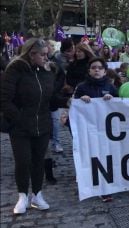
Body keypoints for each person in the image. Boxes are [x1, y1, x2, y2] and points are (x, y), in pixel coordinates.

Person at [1, 38, 68, 214]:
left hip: (43, 125)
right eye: (43, 54)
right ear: (32, 54)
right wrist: (18, 119)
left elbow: (51, 98)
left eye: (48, 54)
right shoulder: (14, 70)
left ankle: (37, 195)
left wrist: (67, 101)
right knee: (23, 161)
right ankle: (22, 195)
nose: (47, 57)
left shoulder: (48, 72)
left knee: (39, 161)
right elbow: (5, 99)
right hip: (20, 127)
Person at [72, 57, 118, 202]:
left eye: (99, 67)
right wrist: (80, 100)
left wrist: (113, 100)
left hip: (107, 130)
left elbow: (122, 105)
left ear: (105, 71)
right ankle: (92, 184)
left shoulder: (111, 87)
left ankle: (106, 187)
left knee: (107, 157)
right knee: (92, 157)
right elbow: (73, 107)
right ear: (89, 71)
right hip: (89, 130)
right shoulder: (82, 87)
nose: (96, 70)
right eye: (93, 67)